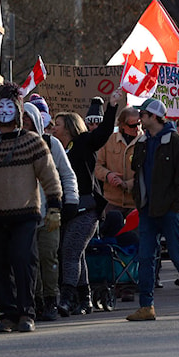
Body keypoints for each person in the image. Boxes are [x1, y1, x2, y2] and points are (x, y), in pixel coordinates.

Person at [0, 83, 63, 333]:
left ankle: (27, 312)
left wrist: (55, 206)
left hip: (24, 214)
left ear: (17, 112)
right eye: (1, 107)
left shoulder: (32, 142)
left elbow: (50, 175)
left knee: (23, 260)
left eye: (10, 107)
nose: (5, 112)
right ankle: (7, 314)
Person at [127, 98, 179, 321]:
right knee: (146, 257)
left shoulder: (176, 142)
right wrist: (139, 200)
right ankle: (146, 306)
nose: (139, 118)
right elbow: (138, 174)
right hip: (147, 209)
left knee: (178, 255)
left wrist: (178, 206)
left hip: (170, 211)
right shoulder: (142, 142)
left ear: (153, 117)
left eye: (143, 114)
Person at [52, 93, 118, 316]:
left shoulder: (82, 143)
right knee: (75, 254)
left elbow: (104, 132)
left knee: (70, 251)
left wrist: (112, 107)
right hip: (67, 209)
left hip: (87, 208)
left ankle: (68, 297)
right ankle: (85, 299)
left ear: (69, 127)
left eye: (57, 124)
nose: (53, 127)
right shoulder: (53, 148)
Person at [21, 102, 78, 322]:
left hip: (48, 213)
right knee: (27, 260)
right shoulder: (10, 144)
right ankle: (33, 301)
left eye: (28, 116)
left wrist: (70, 200)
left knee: (48, 256)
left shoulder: (50, 143)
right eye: (21, 116)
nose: (25, 120)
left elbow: (66, 174)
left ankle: (51, 300)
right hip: (21, 215)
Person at [96, 105, 142, 219]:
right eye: (132, 125)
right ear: (122, 125)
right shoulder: (109, 140)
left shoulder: (145, 142)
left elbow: (149, 172)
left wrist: (127, 184)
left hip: (136, 204)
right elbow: (96, 165)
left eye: (139, 124)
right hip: (111, 202)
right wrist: (108, 175)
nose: (137, 128)